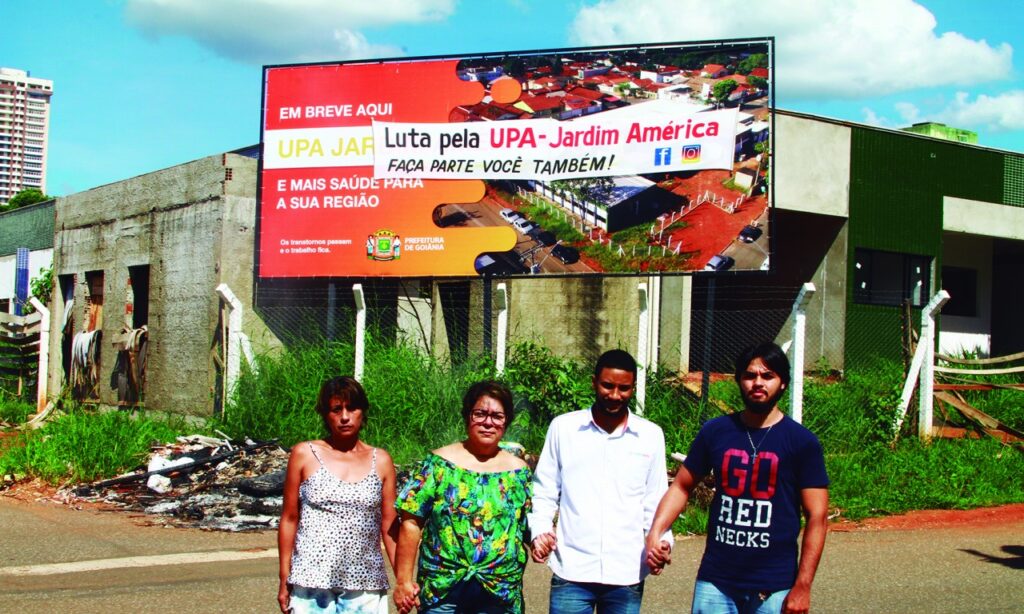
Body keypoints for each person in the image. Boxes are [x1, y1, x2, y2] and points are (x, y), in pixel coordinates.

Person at [646, 342, 830, 614]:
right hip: (716, 581)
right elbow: (682, 486)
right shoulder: (716, 431)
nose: (758, 383)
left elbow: (818, 516)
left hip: (775, 586)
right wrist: (655, 532)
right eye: (749, 375)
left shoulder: (802, 442)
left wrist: (803, 586)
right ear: (739, 381)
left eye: (767, 376)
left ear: (783, 384)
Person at [529, 349, 671, 614]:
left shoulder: (651, 435)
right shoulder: (563, 428)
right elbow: (545, 490)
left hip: (627, 572)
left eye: (624, 388)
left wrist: (661, 544)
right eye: (607, 385)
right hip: (572, 569)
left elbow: (656, 500)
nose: (615, 395)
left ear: (633, 388)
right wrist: (540, 531)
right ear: (594, 382)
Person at [394, 380, 532, 614]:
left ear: (506, 421)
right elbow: (411, 522)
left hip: (500, 592)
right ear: (467, 416)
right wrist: (403, 581)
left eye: (497, 416)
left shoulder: (519, 472)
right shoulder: (438, 464)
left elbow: (529, 525)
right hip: (443, 590)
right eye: (480, 414)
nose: (488, 422)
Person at [277, 376, 399, 614]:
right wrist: (284, 577)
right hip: (310, 580)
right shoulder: (305, 454)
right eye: (336, 409)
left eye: (351, 408)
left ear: (362, 412)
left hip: (365, 583)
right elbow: (290, 518)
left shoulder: (381, 460)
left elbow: (389, 525)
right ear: (325, 414)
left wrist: (403, 580)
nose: (344, 417)